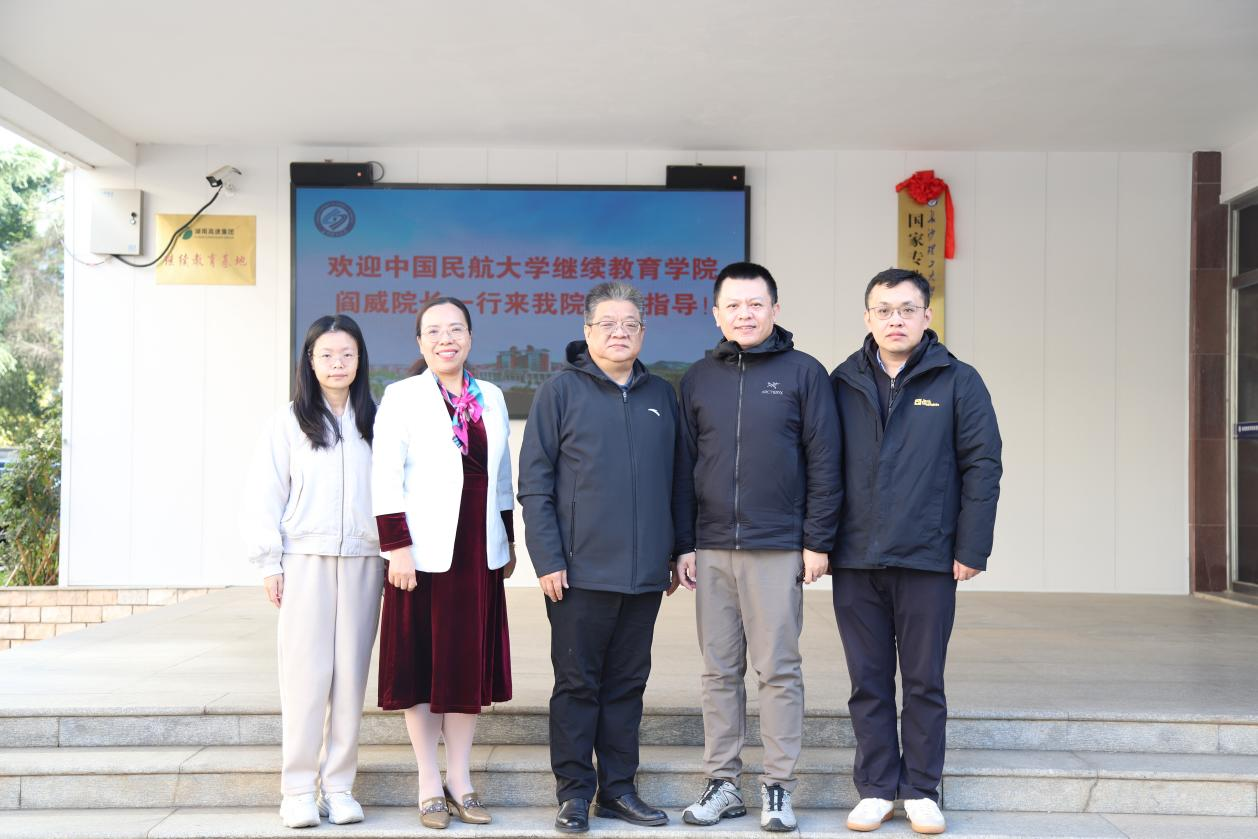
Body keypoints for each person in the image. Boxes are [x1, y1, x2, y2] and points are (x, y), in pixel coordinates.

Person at [830, 268, 1002, 835]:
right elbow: (820, 466)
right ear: (868, 318)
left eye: (907, 309)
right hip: (856, 556)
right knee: (868, 680)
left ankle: (922, 788)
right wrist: (819, 542)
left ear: (928, 316)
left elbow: (983, 466)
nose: (896, 320)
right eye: (884, 310)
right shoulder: (841, 381)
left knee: (924, 680)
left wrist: (971, 545)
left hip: (929, 556)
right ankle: (877, 788)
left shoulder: (959, 381)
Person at [674, 262, 841, 833]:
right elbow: (683, 466)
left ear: (775, 309)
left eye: (755, 304)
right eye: (734, 305)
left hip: (777, 545)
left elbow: (825, 462)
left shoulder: (804, 373)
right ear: (716, 313)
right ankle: (722, 782)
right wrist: (684, 543)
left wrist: (817, 541)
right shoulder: (698, 378)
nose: (744, 314)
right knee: (719, 671)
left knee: (778, 670)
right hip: (712, 546)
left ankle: (777, 786)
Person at [518, 282, 682, 834]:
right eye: (607, 323)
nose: (619, 332)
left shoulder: (662, 395)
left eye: (630, 324)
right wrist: (547, 558)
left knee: (627, 685)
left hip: (644, 574)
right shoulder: (559, 392)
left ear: (643, 333)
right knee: (577, 685)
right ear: (587, 331)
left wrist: (678, 548)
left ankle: (618, 790)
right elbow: (535, 483)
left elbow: (679, 480)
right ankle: (573, 793)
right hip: (578, 572)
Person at [372, 296, 516, 830]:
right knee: (421, 666)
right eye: (433, 331)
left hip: (477, 551)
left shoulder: (491, 396)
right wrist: (397, 548)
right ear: (420, 342)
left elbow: (501, 476)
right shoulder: (402, 396)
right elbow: (385, 476)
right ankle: (428, 780)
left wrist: (506, 540)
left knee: (464, 666)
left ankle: (460, 777)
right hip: (421, 554)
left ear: (470, 337)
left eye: (455, 329)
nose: (445, 339)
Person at [242, 314, 382, 829]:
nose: (337, 363)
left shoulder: (378, 420)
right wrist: (269, 561)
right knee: (305, 677)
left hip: (365, 559)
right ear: (310, 361)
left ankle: (339, 788)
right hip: (305, 557)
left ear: (360, 359)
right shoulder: (288, 422)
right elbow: (265, 492)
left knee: (350, 678)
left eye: (347, 354)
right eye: (327, 355)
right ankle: (298, 790)